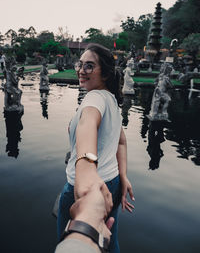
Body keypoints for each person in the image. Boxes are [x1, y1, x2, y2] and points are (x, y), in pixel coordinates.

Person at [57, 43, 134, 253]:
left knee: (74, 240)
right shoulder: (111, 100)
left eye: (89, 66)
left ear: (106, 73)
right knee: (108, 241)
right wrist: (123, 175)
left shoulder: (94, 98)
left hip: (88, 189)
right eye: (80, 64)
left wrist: (87, 171)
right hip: (112, 182)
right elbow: (120, 141)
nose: (81, 70)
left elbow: (88, 124)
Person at [55, 182, 114, 253]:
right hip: (113, 183)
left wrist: (87, 219)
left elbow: (85, 175)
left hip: (82, 189)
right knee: (111, 242)